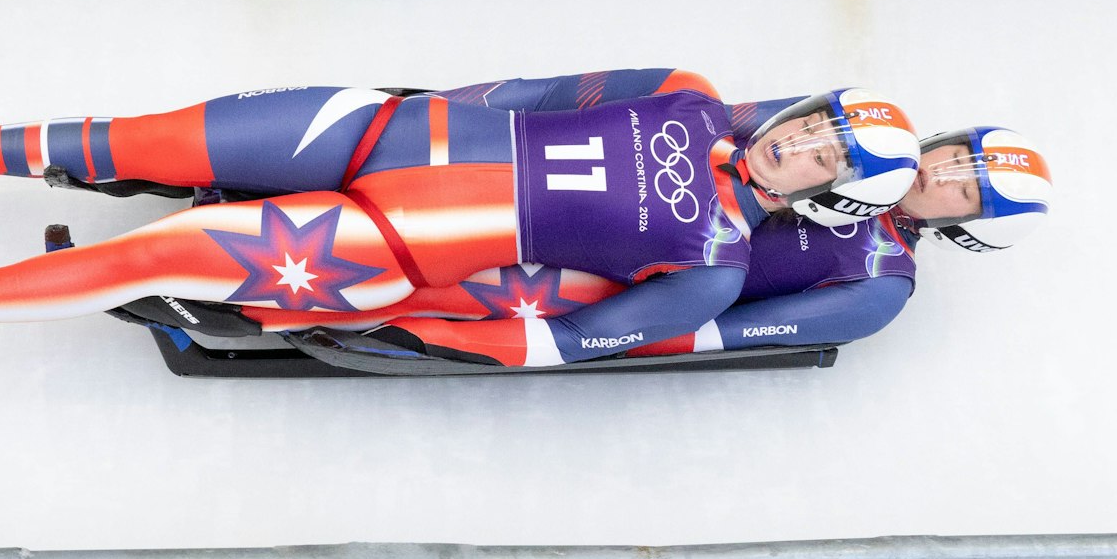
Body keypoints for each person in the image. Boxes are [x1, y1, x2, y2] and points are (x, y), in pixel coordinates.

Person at [0, 70, 920, 366]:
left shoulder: (714, 267)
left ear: (826, 192)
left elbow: (560, 340)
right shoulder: (686, 91)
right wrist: (416, 102)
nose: (798, 142)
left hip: (391, 248)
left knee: (161, 247)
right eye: (813, 122)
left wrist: (419, 329)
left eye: (821, 155)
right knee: (147, 139)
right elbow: (535, 90)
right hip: (382, 134)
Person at [328, 122, 1054, 366]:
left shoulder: (880, 282)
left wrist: (590, 334)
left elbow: (708, 332)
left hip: (620, 280)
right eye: (957, 153)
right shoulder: (846, 140)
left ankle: (309, 306)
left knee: (442, 263)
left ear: (967, 229)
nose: (941, 169)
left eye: (963, 188)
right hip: (589, 192)